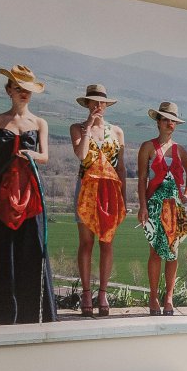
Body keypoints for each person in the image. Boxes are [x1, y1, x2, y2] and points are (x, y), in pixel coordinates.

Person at [0, 64, 56, 324]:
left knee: (32, 247)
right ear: (9, 90)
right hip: (3, 192)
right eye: (19, 88)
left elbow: (44, 156)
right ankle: (0, 312)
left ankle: (33, 312)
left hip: (31, 192)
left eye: (28, 90)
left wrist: (31, 154)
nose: (24, 93)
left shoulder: (40, 123)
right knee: (3, 247)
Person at [69, 84, 127, 317]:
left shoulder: (117, 132)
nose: (98, 105)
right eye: (93, 102)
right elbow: (81, 155)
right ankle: (86, 293)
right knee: (86, 242)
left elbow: (121, 167)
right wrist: (88, 127)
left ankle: (103, 293)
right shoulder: (77, 128)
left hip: (110, 191)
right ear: (87, 104)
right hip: (86, 188)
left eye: (102, 102)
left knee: (107, 242)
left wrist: (124, 197)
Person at [136, 100, 187, 315]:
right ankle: (153, 297)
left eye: (173, 121)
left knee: (173, 252)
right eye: (166, 120)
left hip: (174, 207)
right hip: (154, 205)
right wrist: (142, 206)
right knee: (155, 251)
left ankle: (169, 297)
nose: (170, 124)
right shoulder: (147, 147)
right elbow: (142, 179)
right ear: (158, 122)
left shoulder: (180, 150)